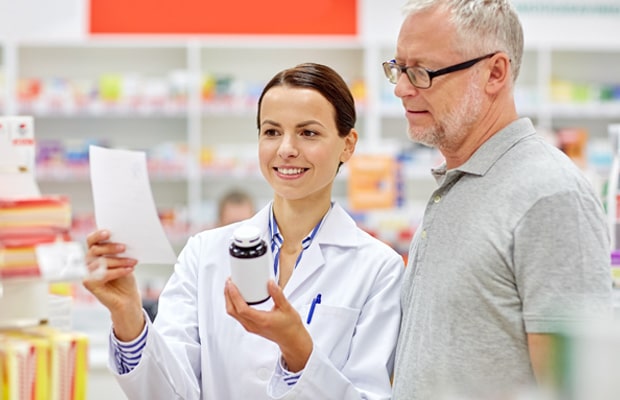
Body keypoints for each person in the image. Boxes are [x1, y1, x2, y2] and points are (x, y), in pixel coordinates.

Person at [83, 63, 404, 400]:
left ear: (348, 144)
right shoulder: (204, 253)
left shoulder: (378, 269)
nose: (286, 149)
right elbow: (169, 393)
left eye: (308, 133)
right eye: (272, 132)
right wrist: (127, 314)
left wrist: (298, 351)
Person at [382, 1, 613, 399]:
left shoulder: (550, 195)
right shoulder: (457, 183)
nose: (402, 88)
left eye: (422, 72)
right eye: (399, 69)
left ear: (494, 73)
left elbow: (574, 390)